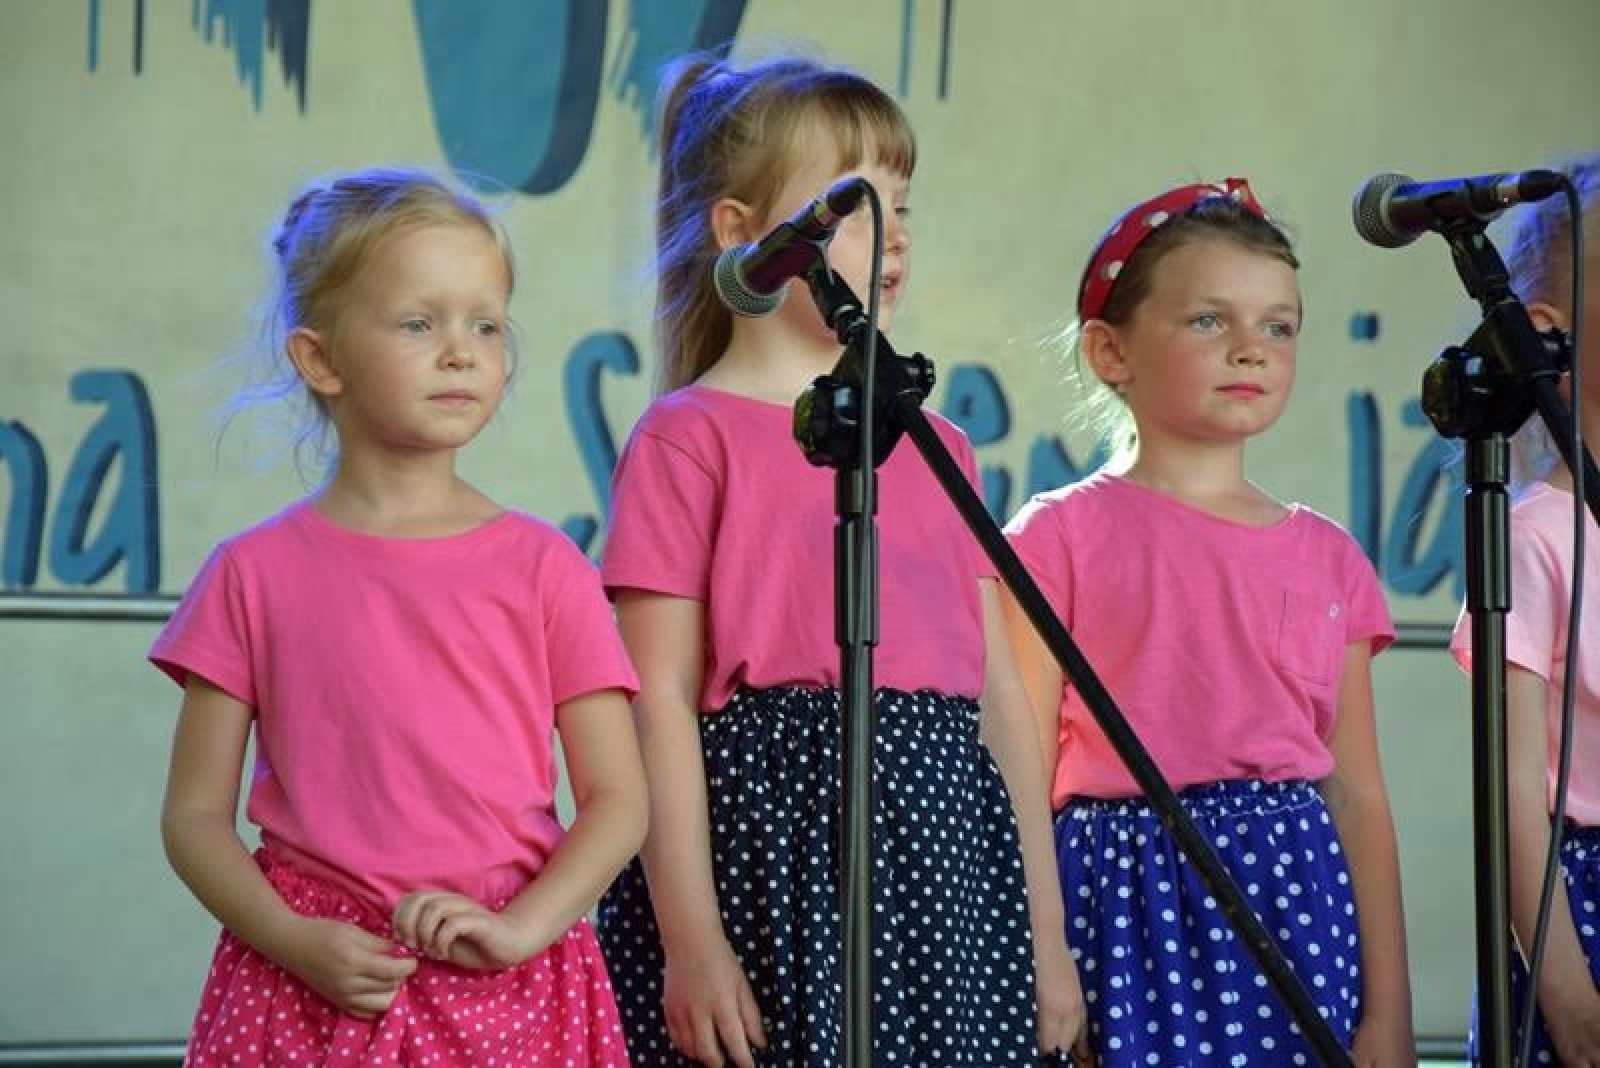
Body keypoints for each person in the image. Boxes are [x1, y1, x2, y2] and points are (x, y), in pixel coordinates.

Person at [595, 54, 1083, 1067]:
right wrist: (691, 943)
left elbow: (999, 702)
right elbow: (655, 707)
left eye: (903, 203)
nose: (895, 233)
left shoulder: (939, 447)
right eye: (856, 205)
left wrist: (1046, 935)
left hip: (946, 853)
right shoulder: (689, 438)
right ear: (742, 234)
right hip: (766, 855)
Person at [152, 166, 647, 1066]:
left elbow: (618, 801)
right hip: (305, 984)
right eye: (420, 323)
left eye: (485, 324)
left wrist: (522, 929)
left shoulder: (548, 568)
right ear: (322, 360)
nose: (461, 350)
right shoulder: (249, 575)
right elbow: (193, 818)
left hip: (511, 982)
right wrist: (293, 940)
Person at [1003, 179, 1416, 1065]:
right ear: (1111, 351)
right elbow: (1019, 773)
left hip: (1293, 898)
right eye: (1208, 322)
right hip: (1118, 898)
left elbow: (1358, 793)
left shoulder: (1328, 554)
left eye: (1278, 326)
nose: (1250, 350)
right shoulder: (1054, 539)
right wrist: (1044, 950)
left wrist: (1389, 1012)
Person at [1449, 152, 1600, 1067]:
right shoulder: (1539, 534)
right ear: (1549, 331)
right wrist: (1565, 986)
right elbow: (1511, 793)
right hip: (1577, 908)